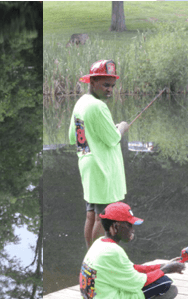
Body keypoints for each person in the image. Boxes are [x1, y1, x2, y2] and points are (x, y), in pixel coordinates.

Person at [79, 202, 185, 299]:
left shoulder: (99, 242)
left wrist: (163, 265)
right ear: (116, 227)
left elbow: (132, 268)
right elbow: (139, 283)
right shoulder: (113, 251)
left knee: (157, 278)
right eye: (129, 225)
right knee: (165, 282)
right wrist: (166, 270)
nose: (132, 229)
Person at [69, 59, 130, 248]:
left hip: (87, 165)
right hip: (103, 169)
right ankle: (96, 259)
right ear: (92, 82)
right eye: (105, 85)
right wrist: (121, 127)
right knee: (103, 218)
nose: (109, 89)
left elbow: (74, 137)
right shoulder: (98, 106)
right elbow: (113, 138)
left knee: (91, 215)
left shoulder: (81, 103)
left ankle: (89, 257)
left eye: (112, 85)